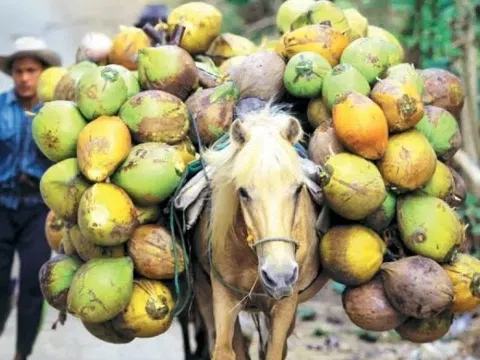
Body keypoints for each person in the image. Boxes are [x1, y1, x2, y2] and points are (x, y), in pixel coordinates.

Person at [0, 36, 61, 360]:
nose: (25, 77)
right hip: (2, 205)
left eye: (31, 70)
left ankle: (21, 355)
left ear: (43, 73)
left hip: (38, 211)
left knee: (32, 287)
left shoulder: (56, 113)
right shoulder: (0, 107)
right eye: (19, 70)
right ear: (12, 74)